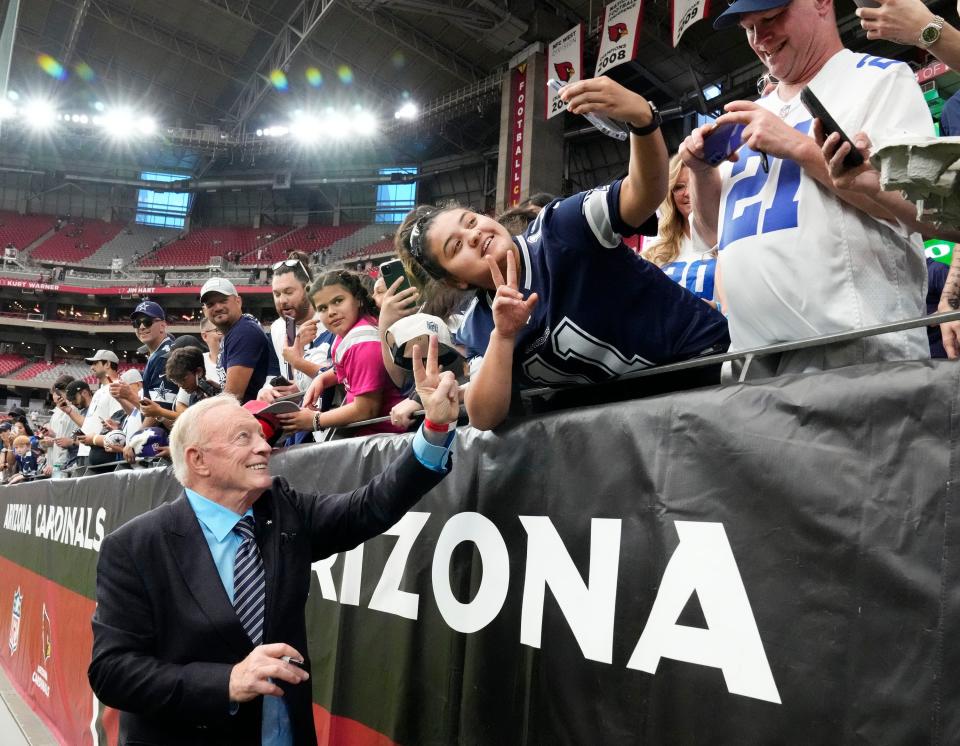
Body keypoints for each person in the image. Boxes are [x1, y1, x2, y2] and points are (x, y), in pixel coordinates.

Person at [88, 336, 460, 745]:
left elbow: (368, 507)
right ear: (198, 460)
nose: (265, 446)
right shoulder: (135, 547)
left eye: (261, 436)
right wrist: (225, 682)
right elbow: (113, 672)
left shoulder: (283, 509)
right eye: (243, 438)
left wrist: (436, 428)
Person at [397, 76, 729, 430]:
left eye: (469, 221)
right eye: (457, 246)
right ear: (455, 279)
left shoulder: (561, 227)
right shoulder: (481, 323)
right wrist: (504, 335)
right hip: (639, 417)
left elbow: (643, 194)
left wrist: (643, 122)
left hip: (704, 367)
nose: (474, 235)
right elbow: (484, 417)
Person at [680, 0, 936, 377]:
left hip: (858, 355)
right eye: (748, 28)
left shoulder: (878, 78)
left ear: (821, 3)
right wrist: (701, 173)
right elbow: (713, 237)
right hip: (751, 362)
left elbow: (923, 207)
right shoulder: (750, 113)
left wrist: (800, 148)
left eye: (770, 18)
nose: (759, 38)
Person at [277, 270, 407, 437]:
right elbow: (342, 369)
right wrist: (322, 378)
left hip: (383, 436)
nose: (331, 312)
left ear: (358, 299)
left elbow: (367, 409)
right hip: (364, 431)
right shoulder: (348, 331)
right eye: (322, 308)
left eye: (338, 301)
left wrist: (315, 420)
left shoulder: (362, 343)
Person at [644, 154, 718, 305]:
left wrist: (716, 308)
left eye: (694, 183)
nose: (688, 193)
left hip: (724, 327)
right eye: (678, 187)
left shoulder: (729, 237)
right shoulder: (655, 251)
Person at [259, 260, 334, 404]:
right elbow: (273, 372)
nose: (282, 300)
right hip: (291, 412)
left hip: (325, 413)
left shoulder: (331, 321)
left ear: (307, 290)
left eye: (289, 292)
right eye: (277, 294)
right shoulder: (277, 328)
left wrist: (301, 386)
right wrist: (266, 390)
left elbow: (343, 376)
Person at [201, 277, 272, 404]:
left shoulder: (243, 332)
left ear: (238, 301)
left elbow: (233, 397)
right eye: (210, 304)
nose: (217, 307)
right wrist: (218, 389)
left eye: (223, 301)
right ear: (205, 311)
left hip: (252, 417)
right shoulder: (234, 331)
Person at [131, 300, 179, 409]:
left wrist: (129, 397)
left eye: (147, 321)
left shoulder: (164, 356)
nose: (141, 327)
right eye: (136, 323)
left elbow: (159, 410)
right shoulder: (158, 352)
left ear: (162, 326)